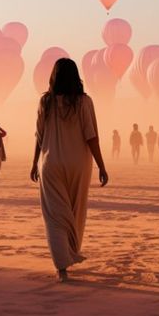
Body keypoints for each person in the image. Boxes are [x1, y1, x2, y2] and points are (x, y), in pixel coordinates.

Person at [30, 58, 108, 283]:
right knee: (75, 212)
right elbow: (91, 136)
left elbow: (39, 135)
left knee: (55, 217)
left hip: (50, 163)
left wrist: (34, 162)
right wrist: (101, 165)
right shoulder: (84, 102)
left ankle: (61, 267)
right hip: (78, 164)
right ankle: (70, 252)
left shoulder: (45, 102)